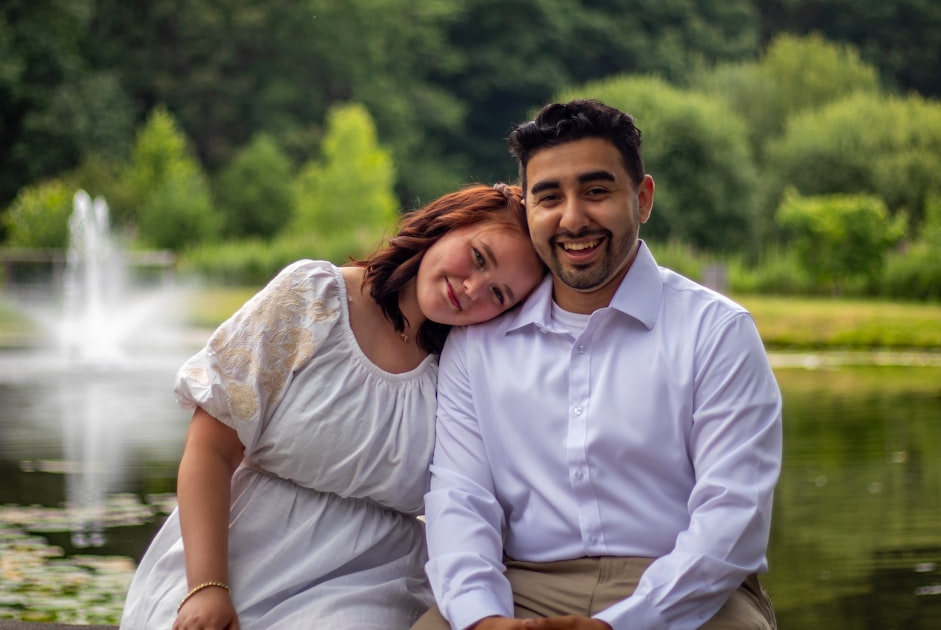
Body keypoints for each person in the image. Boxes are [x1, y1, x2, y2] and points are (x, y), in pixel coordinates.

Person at [414, 99, 783, 630]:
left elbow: (733, 518)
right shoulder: (476, 344)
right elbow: (460, 498)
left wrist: (623, 624)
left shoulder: (717, 332)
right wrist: (482, 619)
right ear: (529, 213)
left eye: (596, 191)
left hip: (687, 591)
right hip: (520, 584)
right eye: (549, 198)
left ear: (643, 197)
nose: (573, 218)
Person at [120, 183, 545, 630]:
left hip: (372, 582)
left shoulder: (467, 367)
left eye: (499, 295)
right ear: (448, 223)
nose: (473, 287)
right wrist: (207, 586)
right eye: (479, 257)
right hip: (230, 557)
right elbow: (210, 449)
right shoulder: (312, 297)